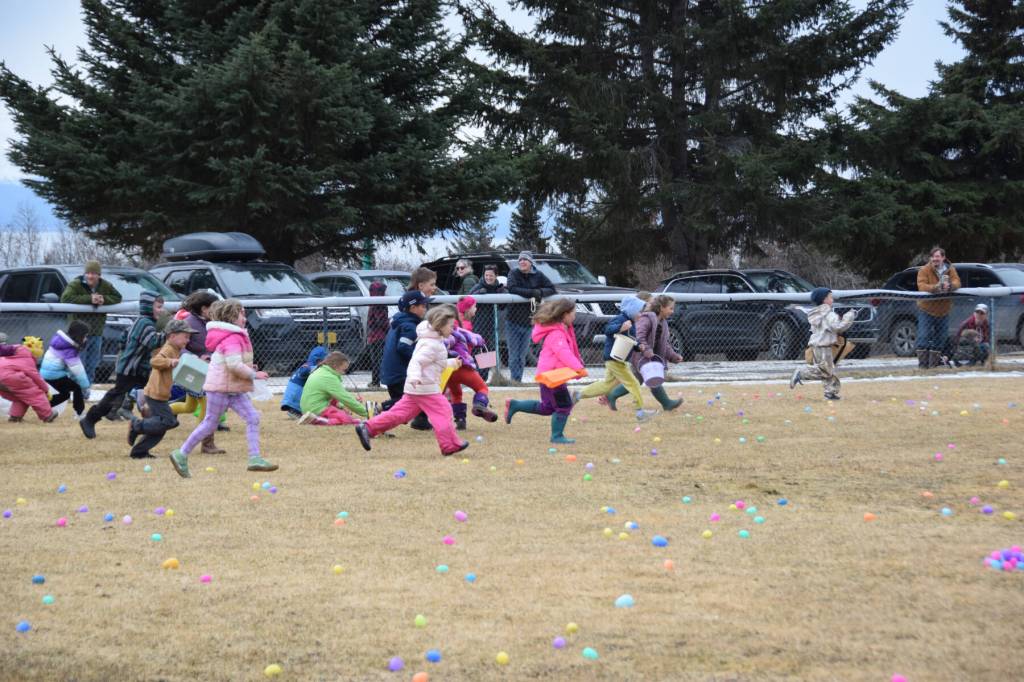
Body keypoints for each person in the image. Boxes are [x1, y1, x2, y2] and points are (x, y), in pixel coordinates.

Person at [170, 299, 277, 478]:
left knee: (252, 417)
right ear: (231, 316)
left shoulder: (233, 335)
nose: (245, 317)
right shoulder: (232, 337)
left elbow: (234, 363)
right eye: (241, 313)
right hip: (221, 388)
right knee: (210, 423)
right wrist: (253, 375)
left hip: (232, 388)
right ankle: (181, 454)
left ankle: (255, 458)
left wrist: (250, 369)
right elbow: (234, 364)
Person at [355, 305, 469, 455]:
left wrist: (452, 363)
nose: (452, 329)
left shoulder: (431, 340)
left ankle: (368, 428)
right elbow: (416, 362)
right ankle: (449, 445)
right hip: (425, 388)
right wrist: (415, 377)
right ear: (440, 325)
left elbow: (433, 363)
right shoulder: (432, 344)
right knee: (443, 411)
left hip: (417, 388)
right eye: (450, 325)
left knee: (400, 413)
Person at [79, 290, 165, 439]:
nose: (161, 310)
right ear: (147, 307)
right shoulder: (145, 323)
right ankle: (90, 419)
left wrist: (128, 349)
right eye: (158, 307)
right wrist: (169, 334)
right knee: (116, 394)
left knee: (153, 391)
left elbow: (124, 336)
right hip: (129, 369)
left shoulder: (141, 322)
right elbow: (152, 342)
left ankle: (155, 421)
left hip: (138, 368)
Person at [504, 298, 584, 444]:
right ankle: (557, 436)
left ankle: (515, 405)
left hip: (549, 375)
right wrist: (578, 368)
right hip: (553, 377)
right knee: (564, 405)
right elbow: (563, 353)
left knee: (547, 407)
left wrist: (578, 362)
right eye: (573, 313)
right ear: (565, 314)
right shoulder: (556, 333)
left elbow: (569, 351)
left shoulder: (561, 329)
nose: (575, 316)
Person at [573, 295, 658, 421]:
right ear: (632, 310)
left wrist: (638, 346)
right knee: (633, 383)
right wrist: (620, 327)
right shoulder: (621, 319)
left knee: (606, 385)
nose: (641, 315)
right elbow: (607, 330)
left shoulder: (632, 324)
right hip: (615, 359)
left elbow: (632, 340)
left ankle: (578, 394)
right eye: (640, 312)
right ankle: (640, 413)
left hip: (617, 359)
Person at [126, 319, 197, 459]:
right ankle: (137, 425)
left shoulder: (176, 350)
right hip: (155, 394)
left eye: (189, 337)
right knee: (169, 421)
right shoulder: (168, 348)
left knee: (161, 427)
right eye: (185, 336)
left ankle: (139, 452)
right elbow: (154, 361)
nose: (188, 340)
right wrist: (170, 362)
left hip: (162, 394)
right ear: (172, 336)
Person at [602, 294, 685, 412]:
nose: (672, 311)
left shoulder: (663, 323)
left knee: (636, 380)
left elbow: (664, 344)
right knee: (652, 377)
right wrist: (646, 350)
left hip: (649, 356)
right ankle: (666, 403)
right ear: (662, 307)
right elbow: (639, 336)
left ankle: (612, 396)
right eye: (670, 308)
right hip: (641, 355)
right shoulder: (646, 318)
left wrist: (673, 356)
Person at [171, 290, 226, 453]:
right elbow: (178, 347)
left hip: (206, 370)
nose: (217, 311)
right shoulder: (189, 323)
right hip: (196, 371)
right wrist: (195, 358)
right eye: (214, 307)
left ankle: (152, 411)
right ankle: (207, 444)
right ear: (204, 309)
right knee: (208, 406)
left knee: (189, 406)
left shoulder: (209, 322)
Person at [59, 260, 123, 383]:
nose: (90, 276)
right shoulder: (76, 284)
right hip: (78, 333)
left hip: (96, 331)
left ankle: (86, 390)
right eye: (88, 273)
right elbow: (65, 298)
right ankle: (74, 389)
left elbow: (118, 297)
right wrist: (90, 299)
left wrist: (103, 299)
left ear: (99, 275)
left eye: (93, 273)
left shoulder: (105, 285)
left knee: (92, 364)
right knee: (78, 363)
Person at [790, 287, 856, 400]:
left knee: (828, 370)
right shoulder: (829, 314)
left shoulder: (817, 313)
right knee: (825, 371)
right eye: (830, 297)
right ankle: (801, 373)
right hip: (823, 346)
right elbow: (838, 327)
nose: (833, 299)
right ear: (824, 300)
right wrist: (850, 316)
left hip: (817, 345)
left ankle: (830, 393)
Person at [444, 296, 498, 429]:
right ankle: (479, 404)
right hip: (463, 366)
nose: (476, 309)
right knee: (482, 388)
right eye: (474, 307)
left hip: (449, 367)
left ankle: (460, 420)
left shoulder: (448, 325)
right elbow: (471, 340)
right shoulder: (464, 326)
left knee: (456, 393)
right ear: (467, 309)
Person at [379, 290, 431, 422]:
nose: (425, 309)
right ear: (413, 308)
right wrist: (419, 359)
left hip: (393, 371)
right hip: (400, 373)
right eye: (423, 306)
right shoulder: (409, 326)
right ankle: (379, 409)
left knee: (414, 399)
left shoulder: (400, 321)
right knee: (408, 401)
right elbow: (403, 347)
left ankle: (421, 422)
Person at [505, 252, 556, 383]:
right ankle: (514, 380)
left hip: (528, 322)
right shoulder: (513, 273)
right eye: (520, 259)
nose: (522, 262)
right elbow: (512, 288)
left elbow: (552, 288)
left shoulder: (538, 275)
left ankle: (518, 380)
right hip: (512, 321)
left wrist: (540, 292)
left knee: (522, 356)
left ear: (531, 262)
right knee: (514, 355)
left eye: (525, 259)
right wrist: (532, 293)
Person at [916, 246, 960, 369]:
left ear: (943, 258)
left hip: (943, 311)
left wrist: (950, 286)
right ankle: (923, 367)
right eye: (933, 257)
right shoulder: (924, 270)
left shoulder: (950, 270)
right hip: (926, 309)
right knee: (923, 336)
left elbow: (957, 282)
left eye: (938, 257)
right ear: (931, 258)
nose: (935, 259)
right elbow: (922, 286)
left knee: (941, 338)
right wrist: (936, 287)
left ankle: (933, 366)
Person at [298, 351, 369, 425]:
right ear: (335, 366)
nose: (344, 373)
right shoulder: (329, 377)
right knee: (345, 419)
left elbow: (335, 396)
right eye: (343, 370)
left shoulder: (322, 371)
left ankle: (315, 418)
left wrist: (342, 406)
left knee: (343, 415)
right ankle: (316, 420)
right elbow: (345, 398)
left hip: (308, 408)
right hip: (317, 409)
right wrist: (367, 413)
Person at [39, 320, 92, 419]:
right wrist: (85, 386)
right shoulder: (69, 350)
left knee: (65, 394)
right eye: (85, 336)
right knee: (77, 388)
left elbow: (70, 369)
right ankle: (80, 414)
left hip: (46, 373)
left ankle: (43, 406)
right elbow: (78, 370)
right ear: (79, 335)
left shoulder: (60, 341)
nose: (86, 339)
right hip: (54, 375)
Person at [0, 336, 56, 423]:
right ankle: (47, 415)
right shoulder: (27, 358)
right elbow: (36, 377)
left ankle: (15, 417)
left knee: (20, 396)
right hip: (10, 377)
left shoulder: (15, 353)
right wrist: (45, 390)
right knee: (35, 393)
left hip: (2, 379)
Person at [468, 264, 507, 376]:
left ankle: (483, 377)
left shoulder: (498, 287)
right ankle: (475, 375)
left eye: (491, 275)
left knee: (488, 350)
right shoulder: (478, 287)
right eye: (486, 275)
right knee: (477, 349)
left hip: (492, 326)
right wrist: (478, 295)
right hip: (478, 325)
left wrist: (502, 294)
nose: (488, 278)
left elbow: (502, 307)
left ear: (496, 276)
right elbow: (467, 301)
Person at [349, 280, 389, 386]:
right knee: (377, 360)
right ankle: (376, 382)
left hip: (373, 336)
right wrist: (389, 327)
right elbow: (381, 321)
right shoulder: (379, 304)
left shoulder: (373, 303)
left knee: (373, 359)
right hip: (379, 337)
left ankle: (374, 381)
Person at [281, 346, 328, 418]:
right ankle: (295, 411)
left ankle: (295, 411)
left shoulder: (308, 364)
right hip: (295, 395)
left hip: (292, 396)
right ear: (319, 360)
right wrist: (315, 368)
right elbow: (303, 372)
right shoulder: (308, 366)